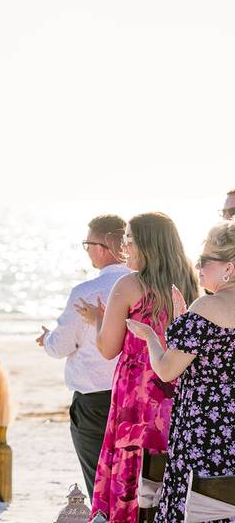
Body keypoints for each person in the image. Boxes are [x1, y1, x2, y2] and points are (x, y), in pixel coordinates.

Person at [75, 212, 199, 523]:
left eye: (130, 240)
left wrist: (97, 320)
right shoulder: (189, 283)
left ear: (147, 244)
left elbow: (107, 348)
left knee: (134, 467)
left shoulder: (129, 284)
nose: (124, 247)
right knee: (166, 470)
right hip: (178, 389)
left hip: (137, 393)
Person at [126, 221, 235, 523]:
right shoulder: (201, 312)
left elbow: (166, 370)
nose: (198, 266)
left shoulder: (206, 307)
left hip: (204, 429)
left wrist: (150, 336)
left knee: (194, 507)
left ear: (230, 267)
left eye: (206, 260)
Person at [36, 214, 130, 495]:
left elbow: (60, 346)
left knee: (99, 484)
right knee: (134, 484)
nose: (87, 250)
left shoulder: (86, 291)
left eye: (87, 244)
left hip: (94, 403)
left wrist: (47, 338)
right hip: (134, 397)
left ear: (100, 248)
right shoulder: (143, 285)